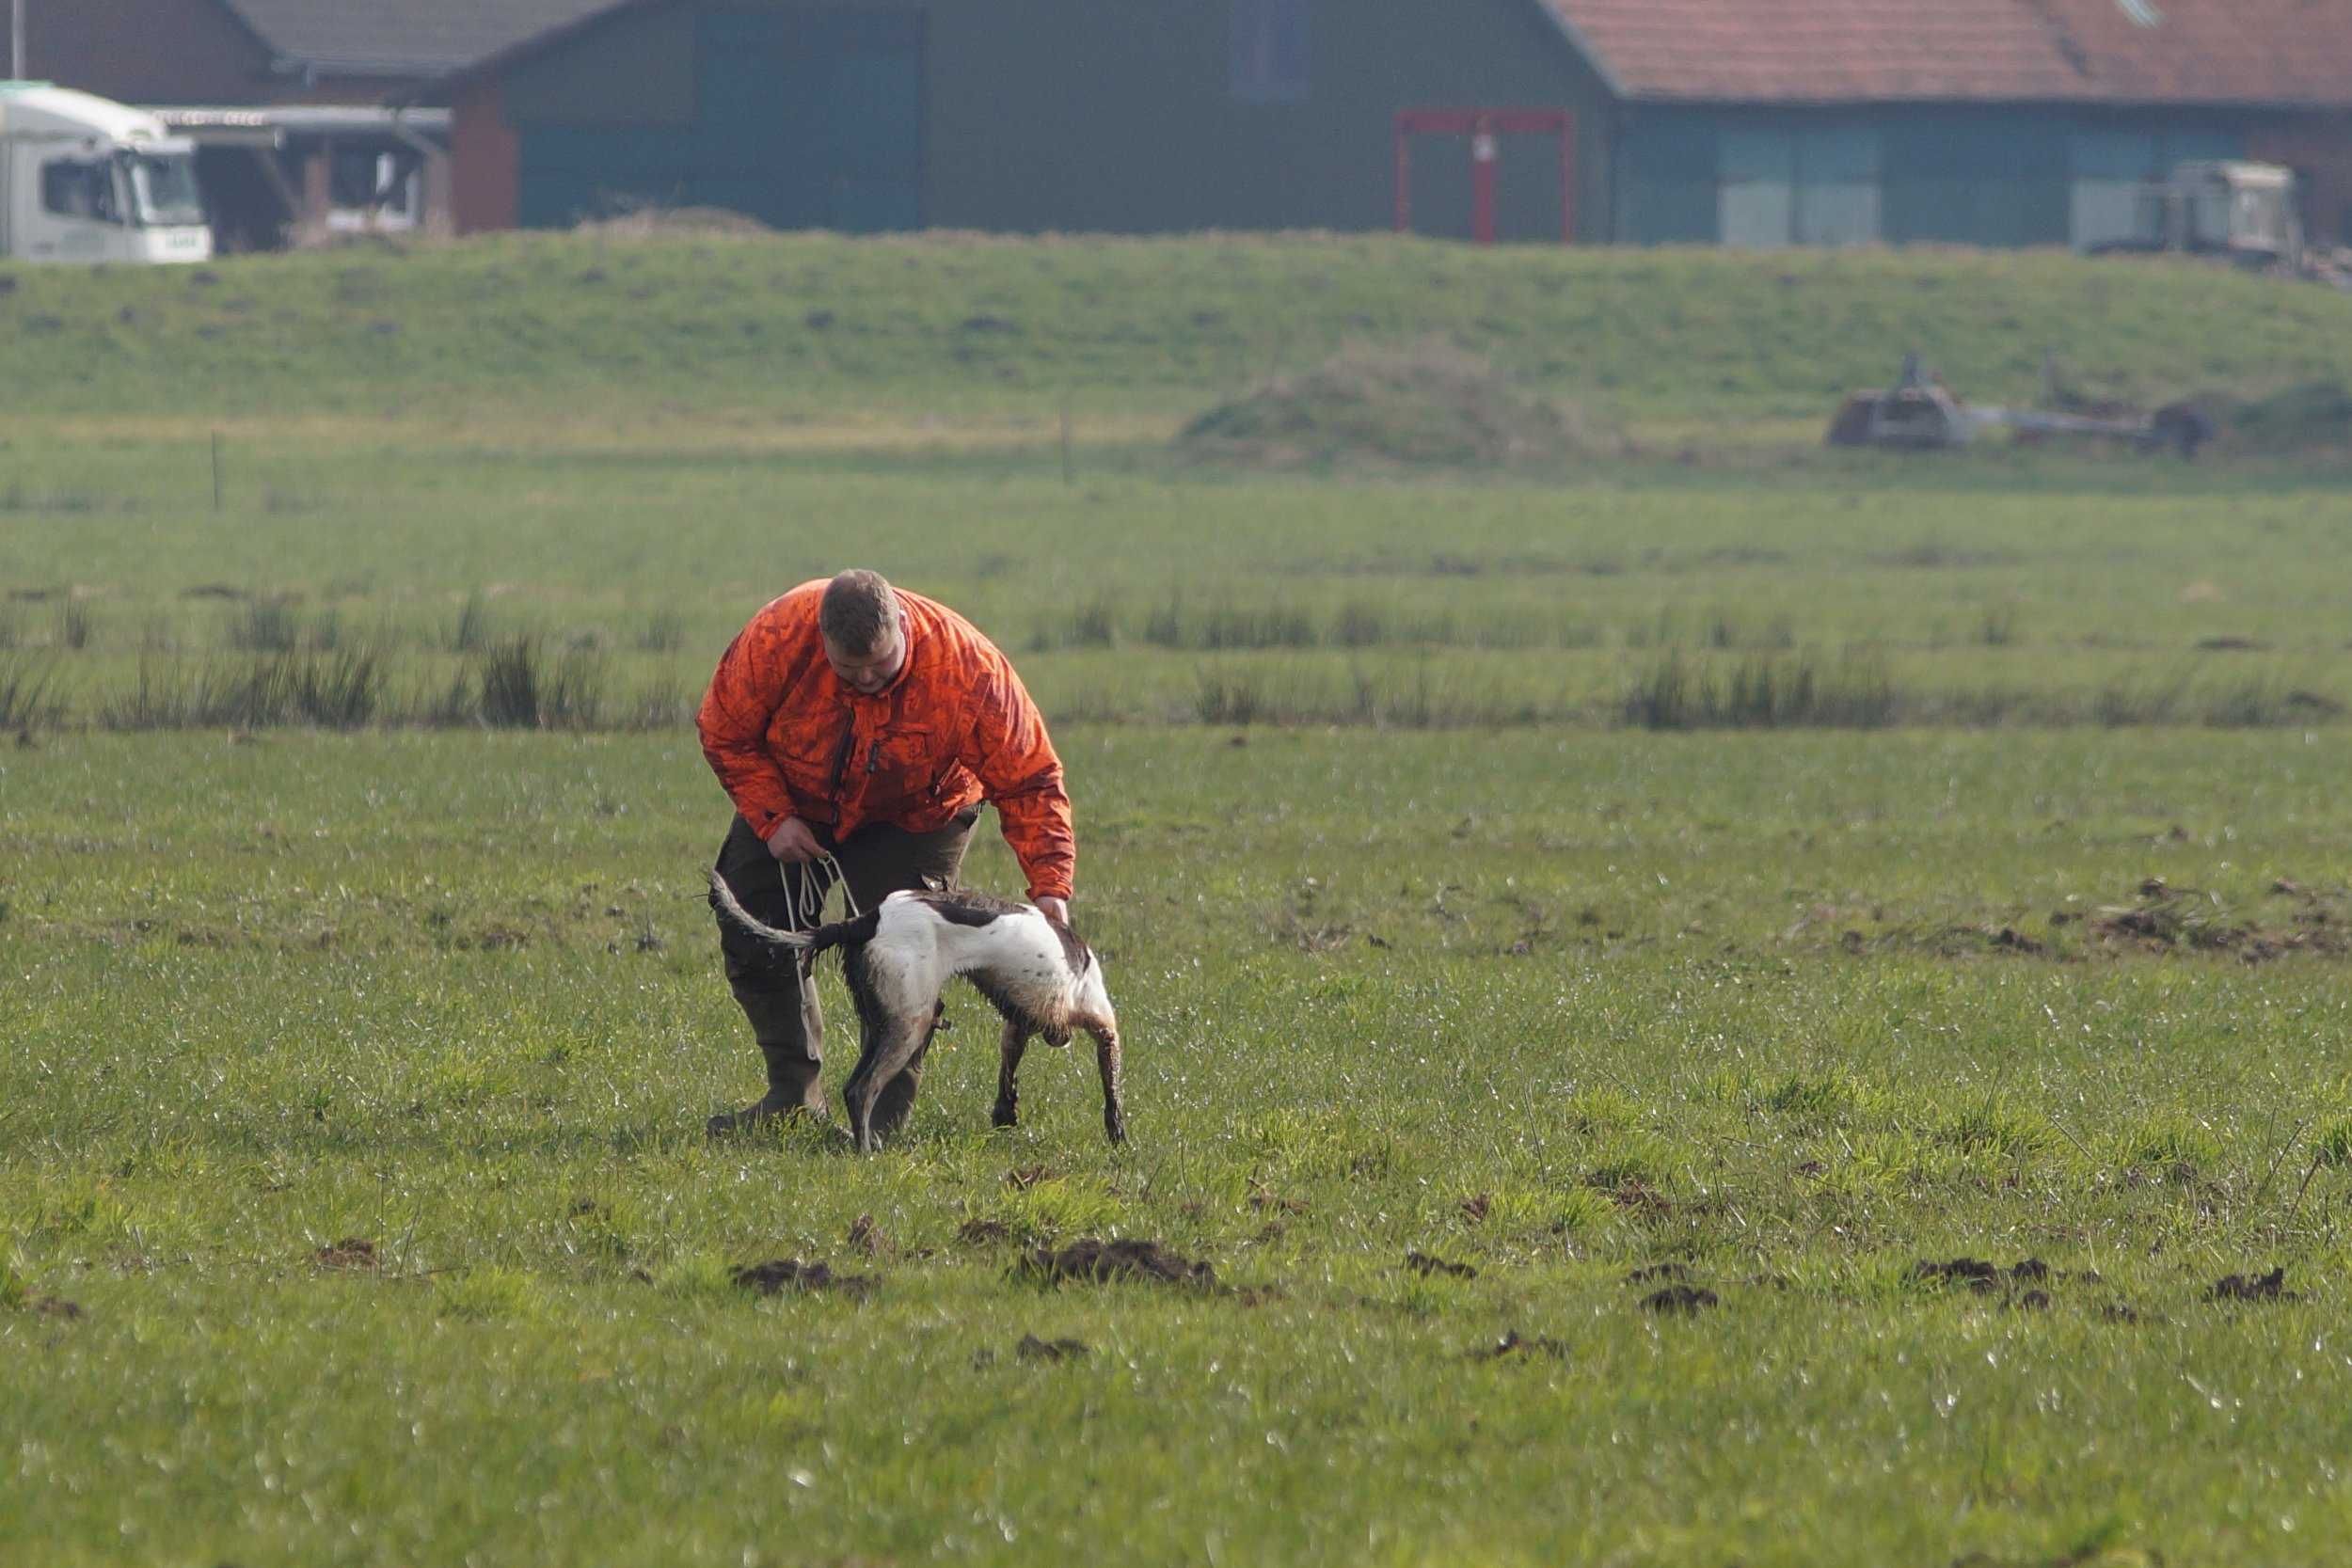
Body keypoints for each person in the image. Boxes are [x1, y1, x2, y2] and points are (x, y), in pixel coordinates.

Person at [697, 569, 1075, 1138]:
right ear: (821, 638)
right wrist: (773, 818)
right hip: (796, 797)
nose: (868, 679)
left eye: (880, 663)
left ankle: (878, 1123)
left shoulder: (968, 669)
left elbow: (1031, 781)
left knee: (901, 955)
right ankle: (793, 1097)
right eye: (848, 670)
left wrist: (1050, 886)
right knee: (752, 923)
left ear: (902, 622)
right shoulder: (779, 635)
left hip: (919, 813)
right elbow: (724, 728)